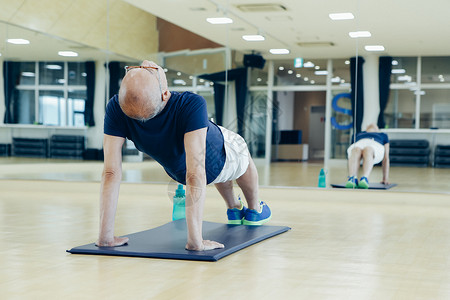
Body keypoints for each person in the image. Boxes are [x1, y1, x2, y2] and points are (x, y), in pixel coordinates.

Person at [96, 60, 271, 251]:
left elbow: (111, 173)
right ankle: (255, 210)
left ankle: (234, 208)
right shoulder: (190, 104)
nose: (144, 63)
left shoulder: (116, 108)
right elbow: (196, 171)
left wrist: (105, 237)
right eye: (150, 70)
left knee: (217, 153)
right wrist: (196, 241)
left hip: (180, 172)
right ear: (165, 94)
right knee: (240, 148)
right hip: (212, 163)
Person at [345, 123, 390, 189]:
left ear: (377, 129)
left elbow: (386, 158)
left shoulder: (382, 135)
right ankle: (352, 178)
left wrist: (385, 179)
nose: (372, 124)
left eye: (375, 124)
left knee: (368, 149)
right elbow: (351, 157)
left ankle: (364, 178)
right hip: (359, 143)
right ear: (366, 128)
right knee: (356, 150)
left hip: (375, 144)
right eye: (370, 124)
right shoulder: (358, 134)